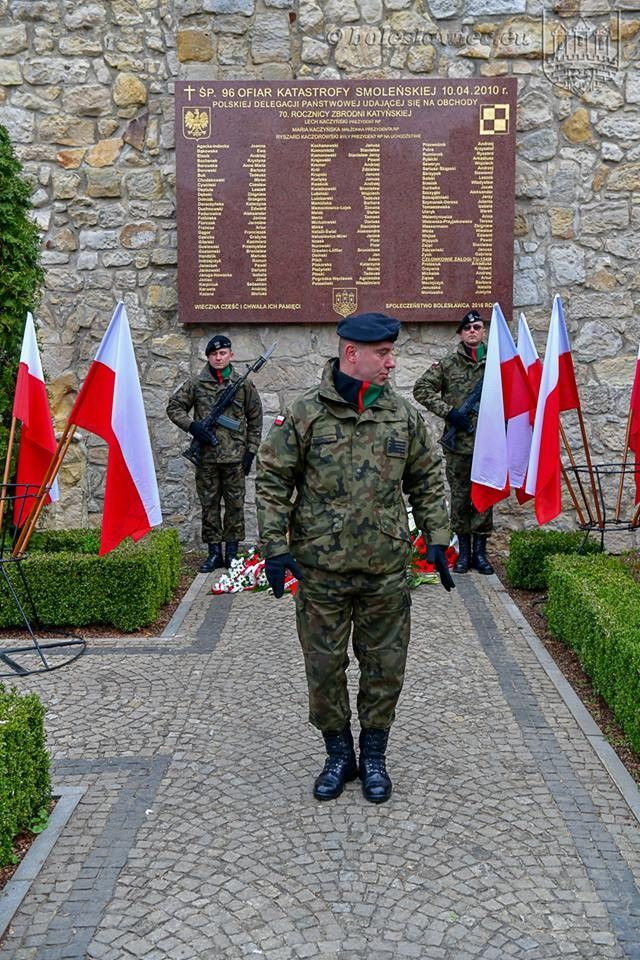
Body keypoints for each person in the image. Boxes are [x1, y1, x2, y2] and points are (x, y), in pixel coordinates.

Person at [256, 312, 452, 805]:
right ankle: (338, 753)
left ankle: (376, 754)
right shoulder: (304, 413)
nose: (392, 362)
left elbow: (427, 479)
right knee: (323, 667)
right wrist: (274, 547)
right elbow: (274, 479)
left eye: (392, 352)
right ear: (352, 354)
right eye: (383, 354)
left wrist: (437, 537)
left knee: (385, 665)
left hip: (385, 568)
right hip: (320, 568)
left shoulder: (402, 415)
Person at [167, 334, 263, 572]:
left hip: (234, 458)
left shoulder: (243, 385)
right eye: (213, 354)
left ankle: (231, 553)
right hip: (207, 458)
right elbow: (174, 407)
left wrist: (250, 451)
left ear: (231, 355)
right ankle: (213, 554)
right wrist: (193, 427)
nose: (218, 358)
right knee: (209, 505)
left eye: (222, 353)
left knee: (234, 506)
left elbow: (255, 419)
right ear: (208, 357)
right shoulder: (196, 384)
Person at [413, 309, 494, 575]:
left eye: (478, 327)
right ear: (460, 333)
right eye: (468, 328)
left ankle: (481, 554)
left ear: (483, 332)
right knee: (460, 498)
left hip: (488, 442)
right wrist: (449, 412)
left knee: (484, 496)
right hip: (458, 443)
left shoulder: (496, 363)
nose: (473, 332)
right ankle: (464, 553)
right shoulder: (447, 364)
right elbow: (421, 389)